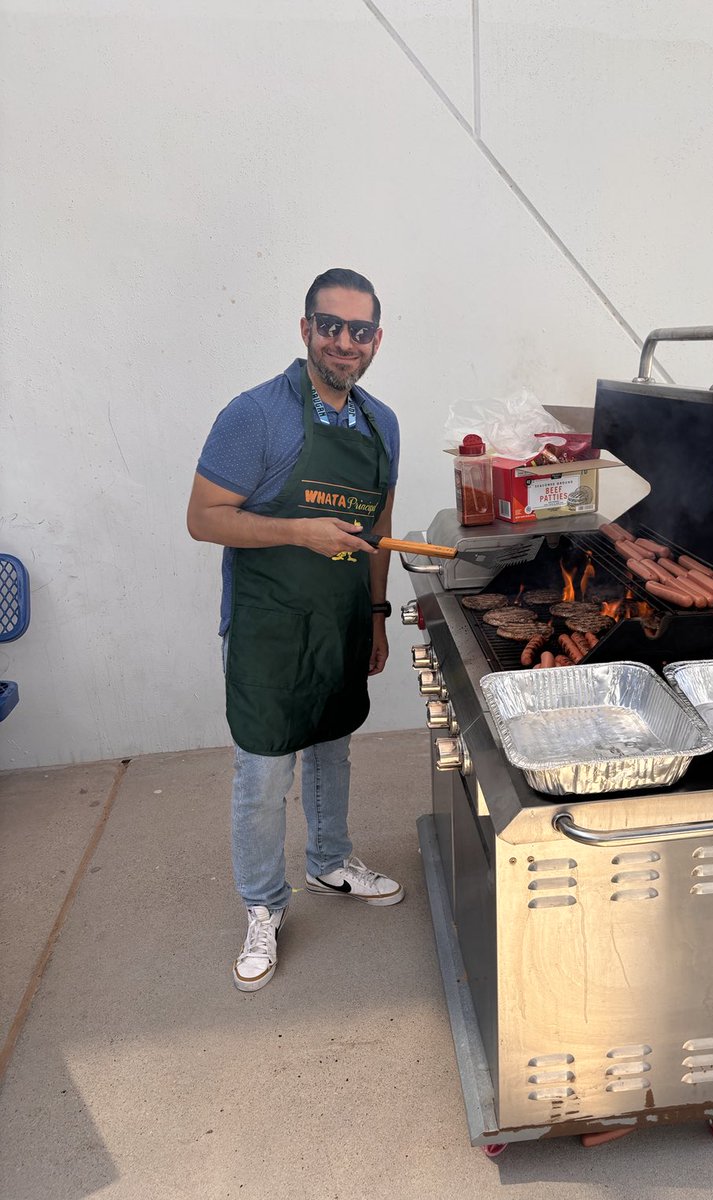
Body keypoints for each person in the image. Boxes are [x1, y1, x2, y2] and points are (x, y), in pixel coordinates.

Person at [187, 267, 404, 993]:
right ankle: (262, 904)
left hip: (339, 620)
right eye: (332, 325)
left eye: (360, 330)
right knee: (263, 773)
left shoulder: (382, 424)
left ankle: (330, 860)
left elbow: (379, 528)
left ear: (377, 339)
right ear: (306, 328)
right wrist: (299, 533)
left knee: (332, 748)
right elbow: (203, 517)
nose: (346, 342)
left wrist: (376, 614)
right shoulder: (255, 415)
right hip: (270, 628)